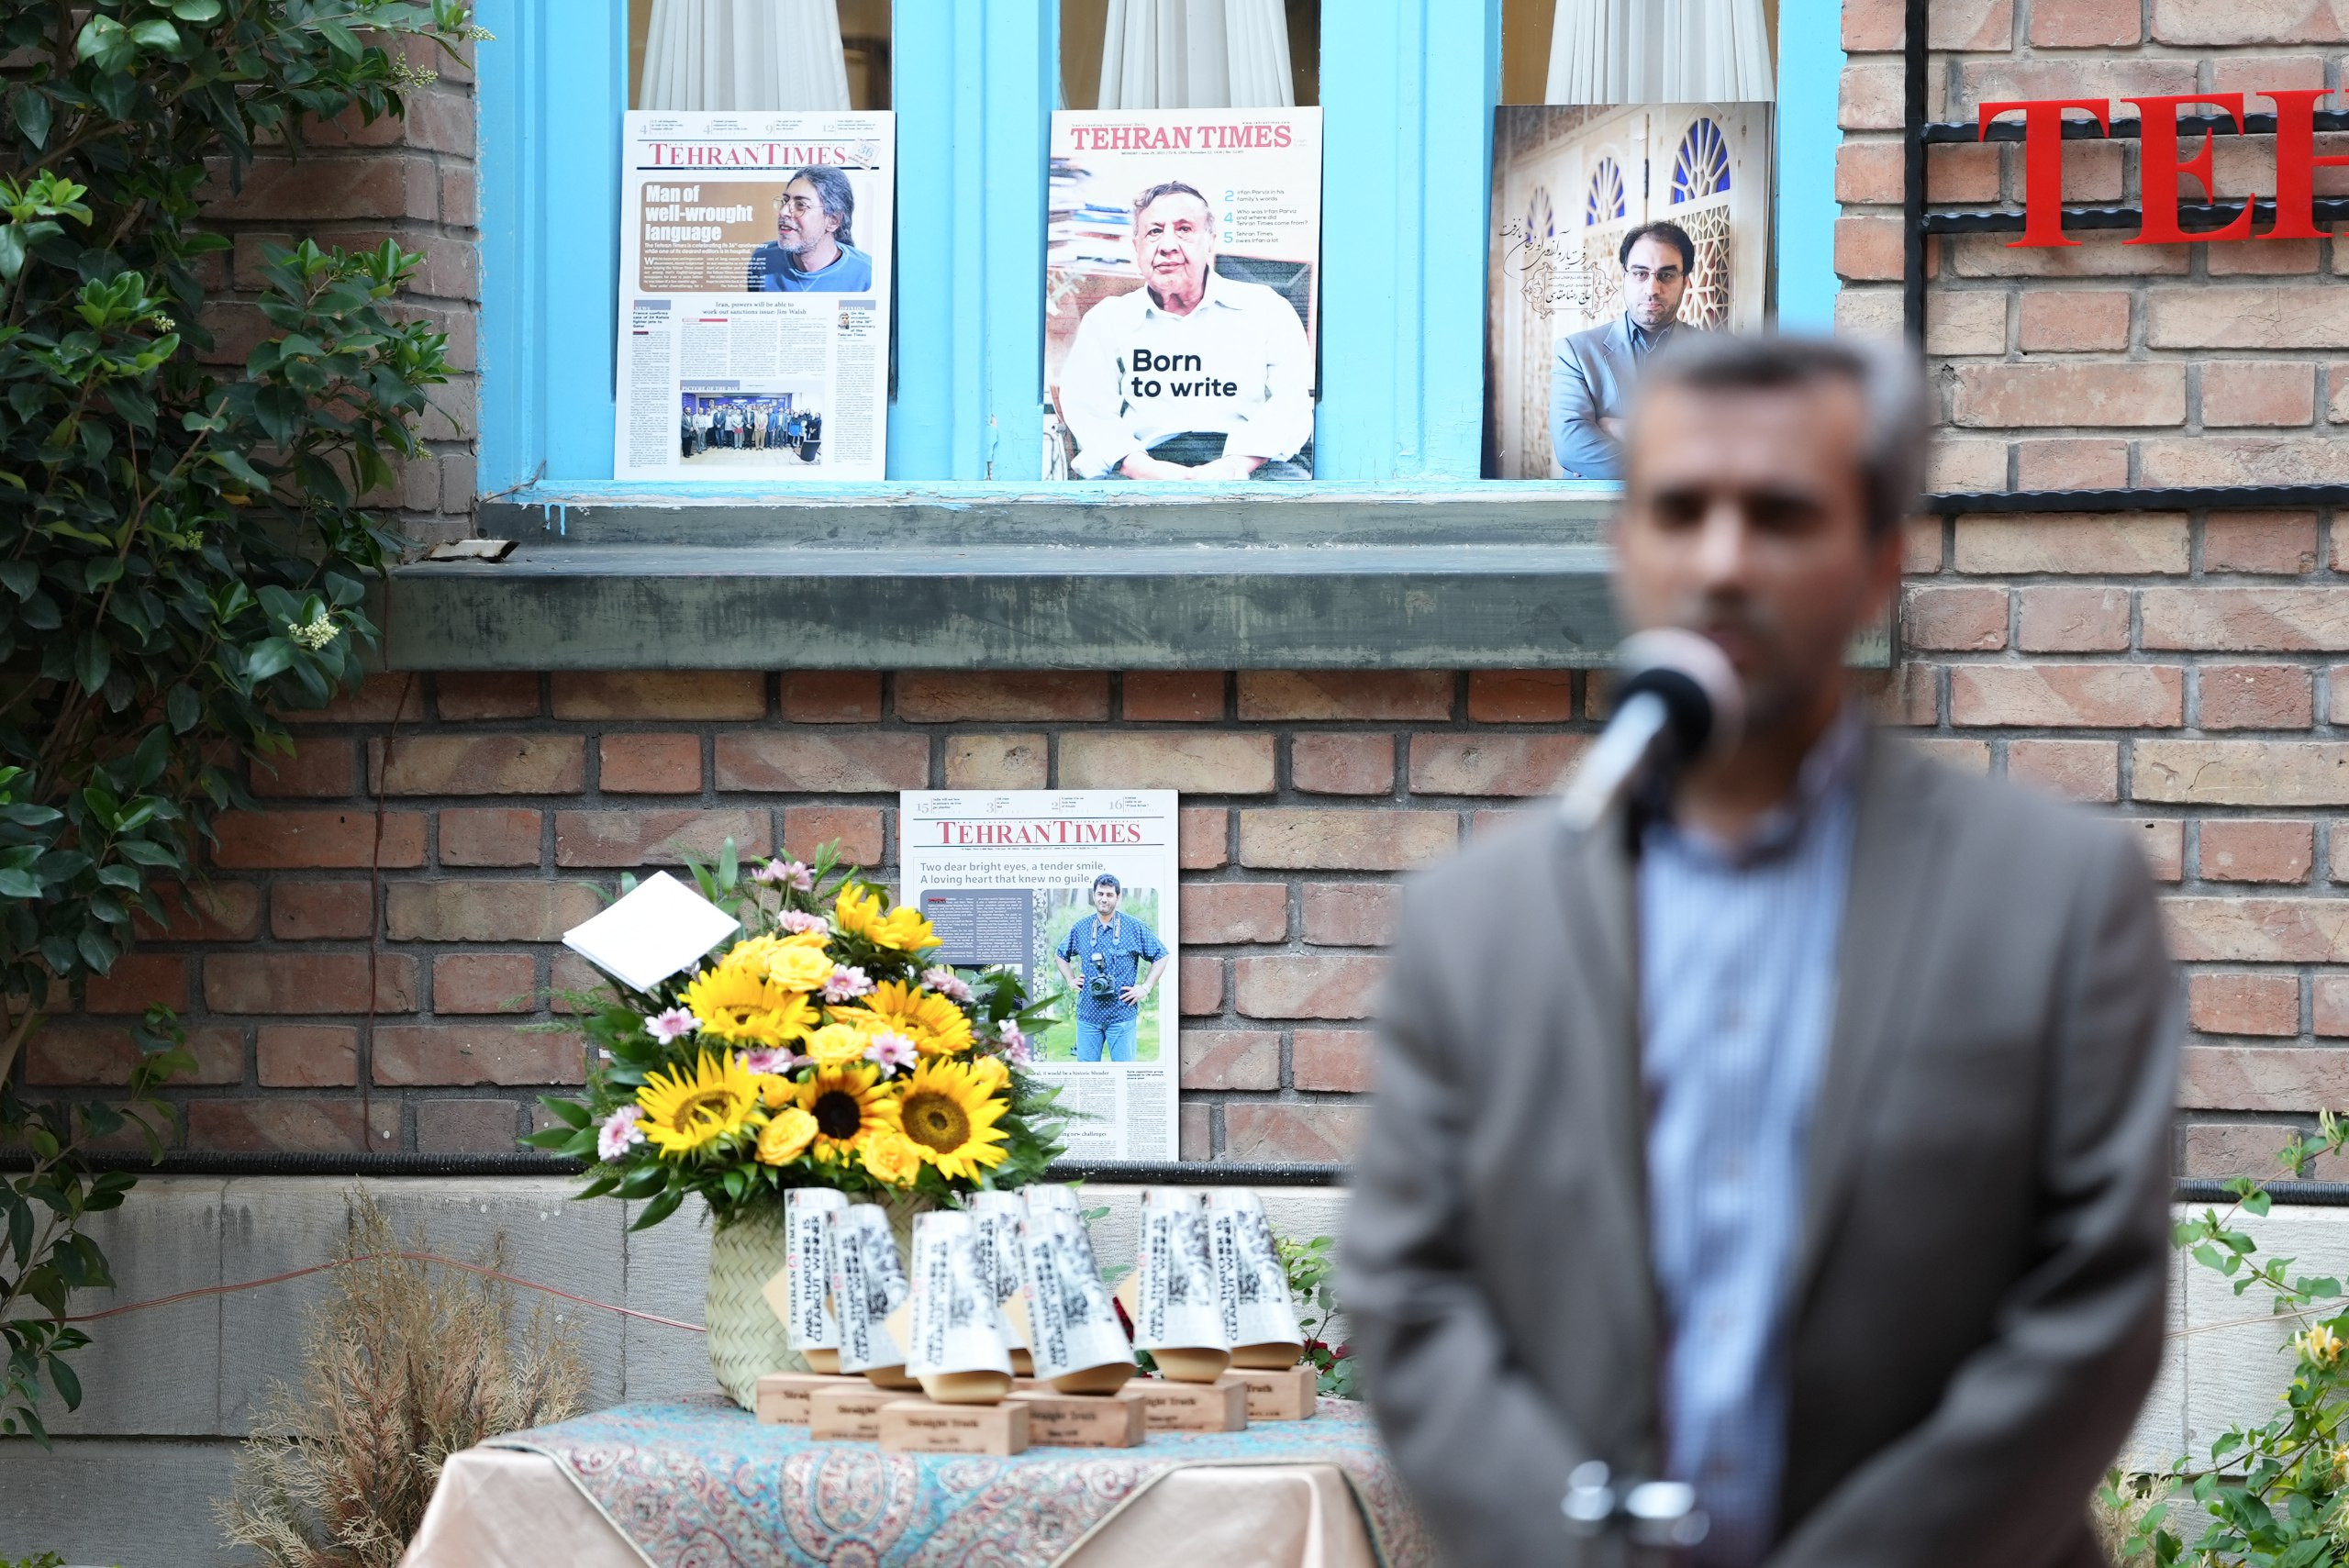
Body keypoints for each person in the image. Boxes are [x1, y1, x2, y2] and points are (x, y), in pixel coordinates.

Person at [1345, 334, 2177, 1568]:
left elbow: (2097, 1300)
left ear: (1880, 562)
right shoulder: (1475, 920)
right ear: (1623, 543)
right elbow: (1407, 1293)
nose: (1723, 562)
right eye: (1681, 510)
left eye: (1781, 515)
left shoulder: (2055, 896)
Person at [1057, 181, 1313, 481]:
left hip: (1250, 465)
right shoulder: (1107, 320)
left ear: (1210, 241)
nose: (1167, 245)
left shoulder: (1267, 309)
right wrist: (1150, 471)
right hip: (1143, 467)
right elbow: (1091, 414)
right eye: (1154, 231)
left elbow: (1289, 406)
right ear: (1137, 247)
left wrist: (1232, 467)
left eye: (1184, 229)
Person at [1550, 220, 1698, 482]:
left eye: (1666, 275)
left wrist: (1618, 429)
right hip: (1589, 506)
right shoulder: (1576, 353)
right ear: (1624, 276)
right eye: (1640, 273)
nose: (1652, 289)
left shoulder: (1717, 355)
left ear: (1685, 281)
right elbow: (1572, 447)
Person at [1053, 874, 1169, 1063]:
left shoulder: (1134, 927)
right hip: (1088, 1015)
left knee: (1124, 1074)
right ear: (1094, 895)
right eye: (1100, 894)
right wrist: (1070, 980)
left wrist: (1145, 987)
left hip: (1122, 1015)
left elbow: (1161, 955)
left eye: (1109, 894)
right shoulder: (1081, 928)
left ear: (1118, 897)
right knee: (1088, 1076)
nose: (1104, 899)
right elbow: (1060, 954)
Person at [746, 167, 874, 293]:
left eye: (801, 205)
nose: (783, 212)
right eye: (785, 201)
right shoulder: (763, 258)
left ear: (833, 221)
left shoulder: (868, 274)